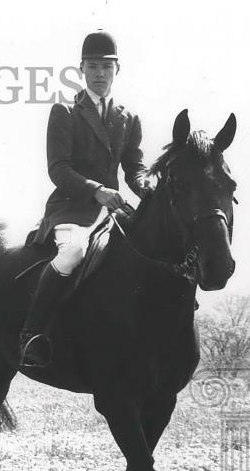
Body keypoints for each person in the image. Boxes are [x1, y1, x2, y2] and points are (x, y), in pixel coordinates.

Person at [19, 30, 151, 368]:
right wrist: (96, 190)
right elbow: (59, 169)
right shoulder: (65, 111)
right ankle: (31, 334)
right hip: (72, 207)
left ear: (117, 69)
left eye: (107, 66)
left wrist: (147, 187)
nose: (100, 73)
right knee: (74, 251)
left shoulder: (128, 116)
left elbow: (134, 168)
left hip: (114, 209)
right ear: (82, 69)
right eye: (93, 66)